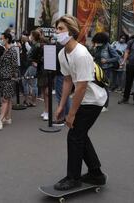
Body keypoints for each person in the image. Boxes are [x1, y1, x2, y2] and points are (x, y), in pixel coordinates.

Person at [53, 15, 108, 191]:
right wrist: (62, 105)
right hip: (83, 98)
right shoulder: (63, 54)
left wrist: (71, 113)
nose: (57, 32)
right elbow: (68, 81)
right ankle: (96, 174)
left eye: (60, 29)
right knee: (80, 135)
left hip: (94, 100)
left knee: (75, 136)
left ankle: (73, 178)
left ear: (72, 31)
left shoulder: (81, 53)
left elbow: (82, 87)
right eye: (57, 29)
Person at [91, 32, 120, 112]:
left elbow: (117, 57)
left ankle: (105, 105)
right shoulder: (96, 46)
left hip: (106, 69)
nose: (98, 43)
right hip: (97, 68)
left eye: (99, 42)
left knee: (104, 87)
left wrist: (106, 60)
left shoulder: (108, 47)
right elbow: (94, 55)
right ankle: (98, 103)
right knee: (96, 86)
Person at [0, 32, 18, 130]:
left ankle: (0, 120)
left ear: (7, 39)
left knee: (5, 99)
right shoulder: (6, 50)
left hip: (8, 78)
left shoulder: (12, 50)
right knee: (7, 98)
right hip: (3, 77)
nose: (1, 40)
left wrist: (13, 76)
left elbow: (15, 65)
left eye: (2, 38)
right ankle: (7, 118)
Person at [22, 30, 41, 107]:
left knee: (33, 84)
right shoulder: (35, 45)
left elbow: (32, 54)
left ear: (33, 36)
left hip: (33, 66)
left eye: (30, 35)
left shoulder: (37, 45)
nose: (29, 36)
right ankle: (27, 100)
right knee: (25, 80)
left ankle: (33, 101)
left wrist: (36, 62)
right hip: (31, 65)